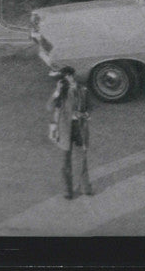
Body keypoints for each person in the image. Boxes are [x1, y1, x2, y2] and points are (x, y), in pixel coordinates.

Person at [47, 66, 93, 199]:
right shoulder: (62, 92)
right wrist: (57, 91)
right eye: (66, 77)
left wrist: (85, 114)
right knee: (65, 162)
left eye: (71, 75)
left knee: (81, 159)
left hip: (79, 128)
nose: (70, 78)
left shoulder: (83, 90)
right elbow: (49, 106)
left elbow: (90, 107)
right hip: (65, 130)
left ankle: (86, 188)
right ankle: (67, 191)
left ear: (74, 75)